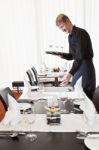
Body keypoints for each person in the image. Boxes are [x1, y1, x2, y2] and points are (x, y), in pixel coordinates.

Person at [56, 14, 96, 100]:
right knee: (75, 90)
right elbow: (72, 55)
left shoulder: (80, 33)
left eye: (62, 26)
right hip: (79, 67)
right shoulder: (70, 36)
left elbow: (79, 57)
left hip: (86, 68)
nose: (62, 29)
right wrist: (62, 55)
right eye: (60, 28)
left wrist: (69, 74)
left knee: (85, 98)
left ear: (67, 21)